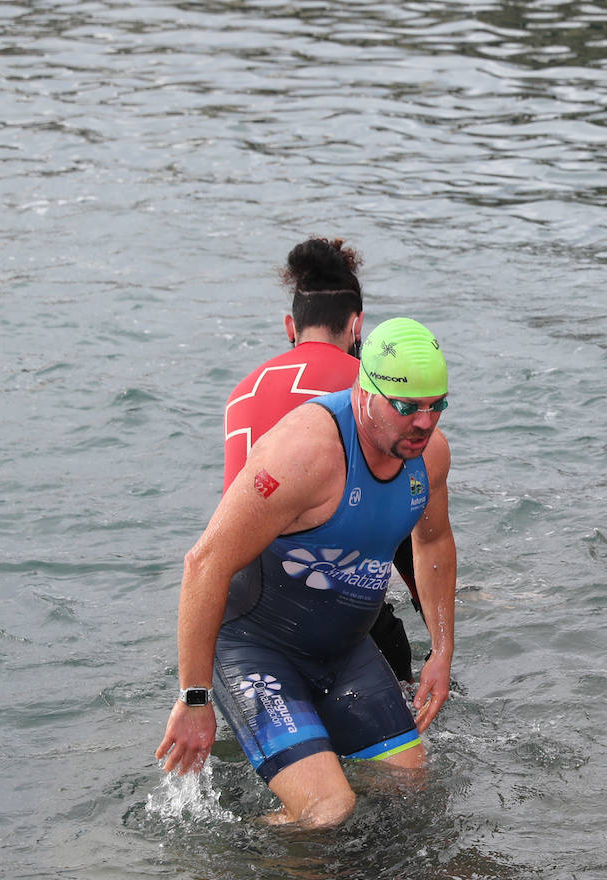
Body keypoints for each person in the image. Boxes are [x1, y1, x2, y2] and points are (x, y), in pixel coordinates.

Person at [157, 317, 457, 827]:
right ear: (366, 390)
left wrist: (443, 649)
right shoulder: (304, 454)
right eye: (406, 408)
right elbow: (204, 562)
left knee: (412, 792)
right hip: (257, 648)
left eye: (436, 407)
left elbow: (433, 540)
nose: (423, 424)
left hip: (344, 652)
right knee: (327, 811)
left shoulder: (430, 457)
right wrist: (194, 697)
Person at [222, 237, 434, 683]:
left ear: (289, 325)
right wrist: (436, 627)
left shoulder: (242, 392)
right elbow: (401, 520)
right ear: (358, 327)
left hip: (243, 619)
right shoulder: (369, 392)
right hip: (335, 615)